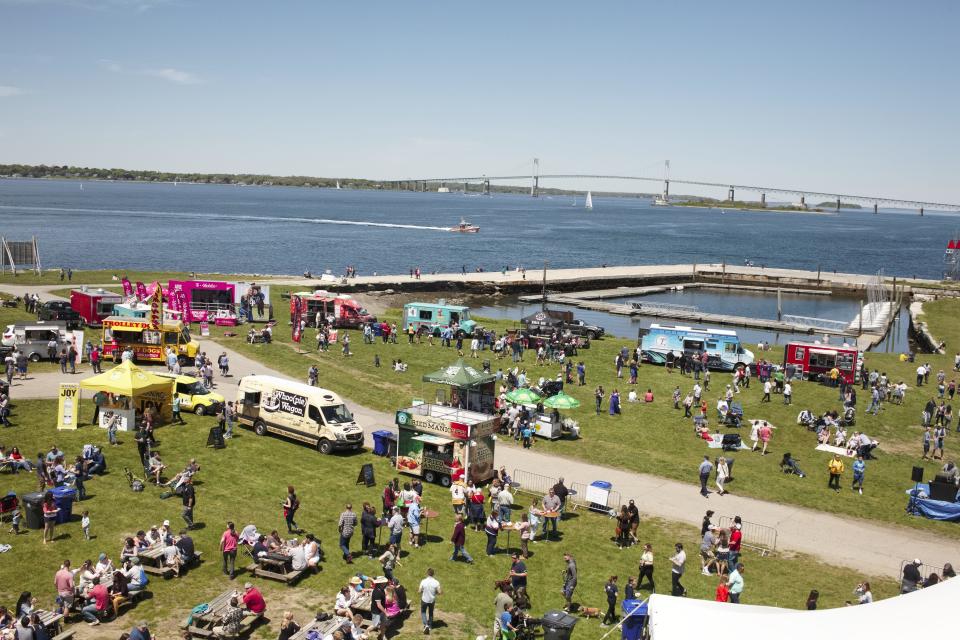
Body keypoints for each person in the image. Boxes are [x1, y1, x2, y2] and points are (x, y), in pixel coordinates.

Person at [419, 567, 441, 634]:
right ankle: (430, 626)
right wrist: (435, 592)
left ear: (427, 573)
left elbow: (419, 591)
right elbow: (439, 592)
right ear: (433, 574)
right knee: (431, 613)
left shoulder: (423, 581)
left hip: (424, 600)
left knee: (423, 612)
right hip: (432, 600)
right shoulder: (436, 582)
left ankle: (426, 625)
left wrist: (423, 590)